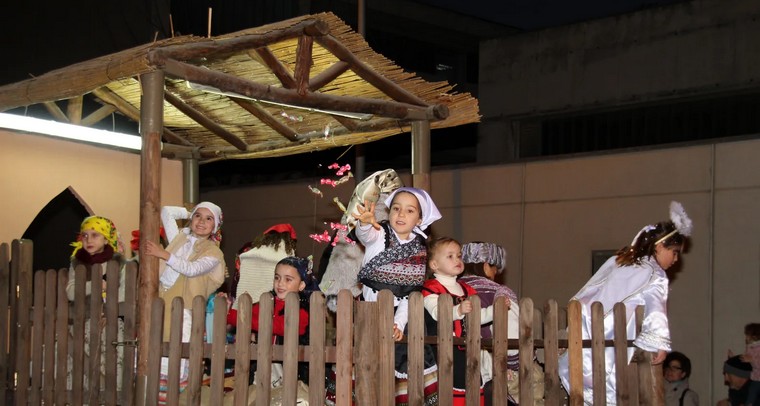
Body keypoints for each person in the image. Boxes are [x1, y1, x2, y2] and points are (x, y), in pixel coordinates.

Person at [557, 201, 693, 405]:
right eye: (674, 252)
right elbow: (656, 310)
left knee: (585, 386)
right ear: (660, 246)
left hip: (586, 331)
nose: (675, 259)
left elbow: (591, 288)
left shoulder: (621, 261)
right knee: (608, 388)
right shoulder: (656, 274)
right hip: (612, 339)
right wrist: (659, 343)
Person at [353, 186, 441, 405]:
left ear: (420, 219)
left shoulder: (419, 251)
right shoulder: (380, 232)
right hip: (370, 312)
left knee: (397, 369)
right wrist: (364, 223)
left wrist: (398, 324)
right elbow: (366, 235)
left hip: (398, 317)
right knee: (368, 371)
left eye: (409, 211)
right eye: (396, 208)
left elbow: (410, 295)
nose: (401, 214)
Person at [144, 201, 226, 400]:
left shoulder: (213, 252)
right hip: (163, 300)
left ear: (215, 226)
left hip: (186, 309)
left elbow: (192, 269)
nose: (201, 222)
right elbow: (166, 212)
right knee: (153, 352)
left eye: (209, 219)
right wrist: (191, 212)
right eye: (198, 216)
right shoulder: (181, 238)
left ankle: (174, 397)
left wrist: (163, 254)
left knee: (177, 356)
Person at [422, 237, 508, 405]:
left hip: (467, 348)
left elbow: (478, 317)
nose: (457, 260)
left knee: (474, 385)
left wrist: (495, 311)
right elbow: (437, 312)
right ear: (434, 265)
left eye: (459, 256)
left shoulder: (467, 289)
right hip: (442, 350)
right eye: (450, 256)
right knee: (453, 388)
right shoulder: (431, 288)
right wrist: (457, 310)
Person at [460, 241, 539, 405]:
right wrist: (515, 364)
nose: (496, 273)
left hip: (457, 368)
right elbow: (511, 333)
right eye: (495, 268)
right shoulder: (500, 292)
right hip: (490, 371)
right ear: (486, 265)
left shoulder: (452, 289)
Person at [227, 256, 317, 386]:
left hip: (291, 367)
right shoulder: (268, 302)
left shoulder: (303, 310)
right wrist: (230, 313)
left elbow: (279, 326)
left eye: (288, 279)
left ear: (301, 285)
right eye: (277, 277)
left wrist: (247, 321)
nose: (280, 283)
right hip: (262, 363)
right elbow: (245, 315)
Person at [65, 215, 128, 392]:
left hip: (110, 324)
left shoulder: (118, 262)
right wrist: (95, 285)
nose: (88, 240)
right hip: (81, 322)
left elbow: (124, 293)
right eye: (84, 235)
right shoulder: (77, 262)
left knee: (108, 364)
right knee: (79, 365)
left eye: (95, 235)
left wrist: (110, 311)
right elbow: (70, 292)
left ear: (106, 238)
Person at [742, 323, 760, 405]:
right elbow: (746, 359)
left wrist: (751, 360)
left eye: (747, 335)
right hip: (755, 378)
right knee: (751, 393)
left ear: (754, 336)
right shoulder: (750, 347)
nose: (746, 337)